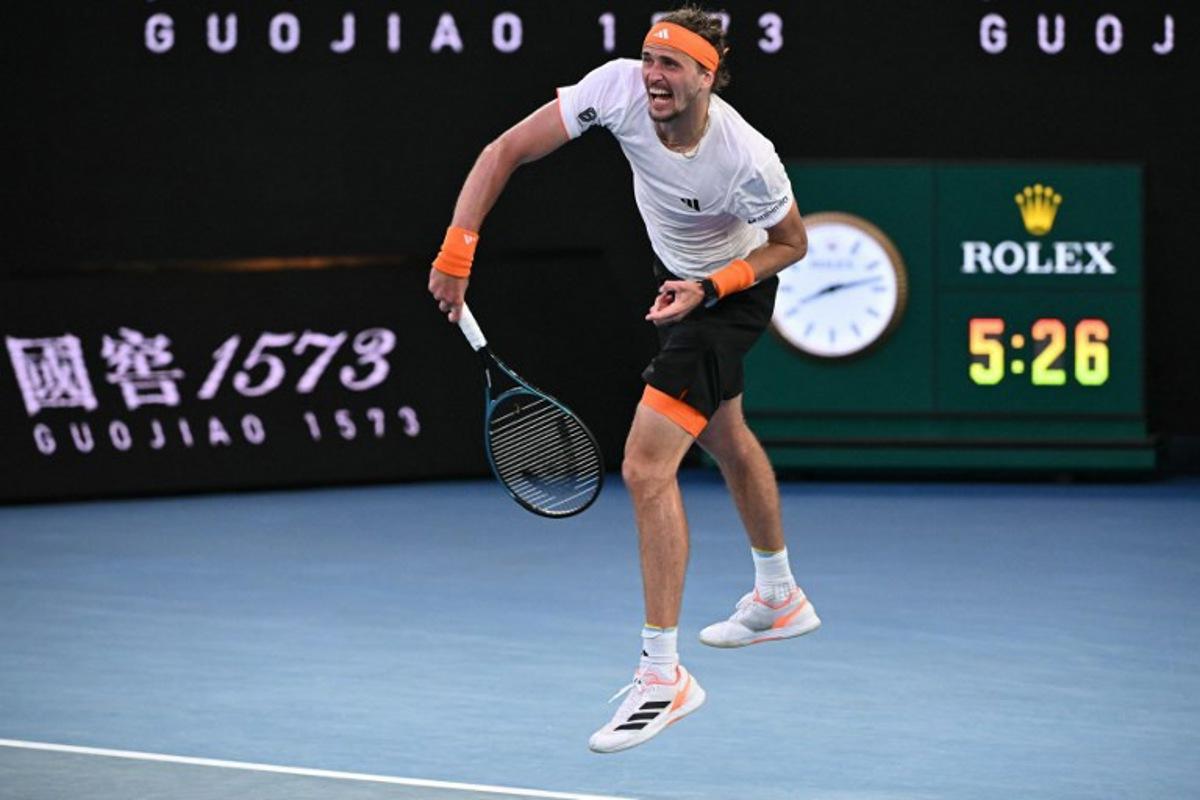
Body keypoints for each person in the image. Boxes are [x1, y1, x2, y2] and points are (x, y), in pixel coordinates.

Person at [428, 6, 819, 753]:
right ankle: (780, 596)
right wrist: (457, 250)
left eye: (673, 64)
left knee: (644, 466)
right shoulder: (615, 91)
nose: (654, 74)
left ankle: (664, 676)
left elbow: (791, 244)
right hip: (673, 275)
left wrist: (709, 288)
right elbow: (504, 150)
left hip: (728, 292)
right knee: (727, 436)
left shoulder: (747, 156)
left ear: (709, 74)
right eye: (649, 57)